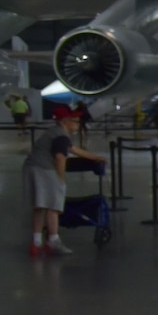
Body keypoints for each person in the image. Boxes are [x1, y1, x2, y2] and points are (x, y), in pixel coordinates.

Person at [24, 107, 105, 256]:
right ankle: (53, 240)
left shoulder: (55, 132)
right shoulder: (61, 136)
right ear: (65, 121)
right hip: (45, 169)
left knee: (40, 206)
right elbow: (61, 158)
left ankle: (36, 243)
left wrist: (95, 157)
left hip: (32, 167)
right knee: (53, 206)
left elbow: (73, 149)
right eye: (75, 120)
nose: (78, 123)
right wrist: (60, 179)